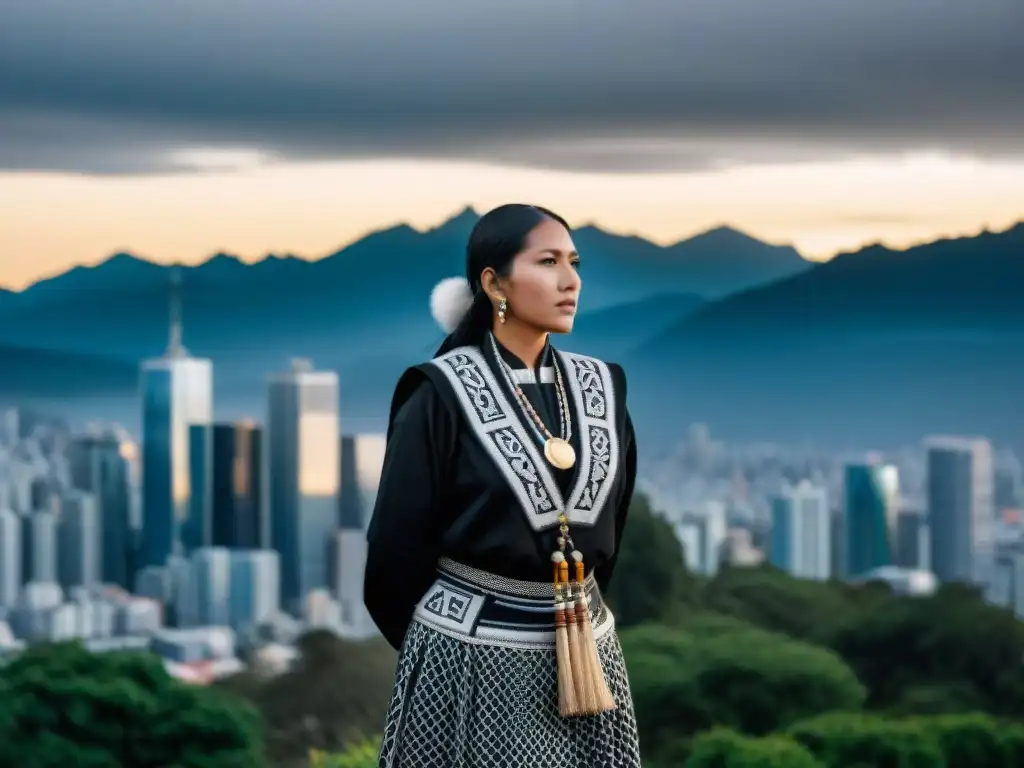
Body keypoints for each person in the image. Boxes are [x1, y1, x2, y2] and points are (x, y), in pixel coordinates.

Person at [365, 203, 642, 767]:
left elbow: (608, 532)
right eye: (548, 262)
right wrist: (443, 648)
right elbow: (392, 561)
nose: (571, 281)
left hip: (589, 657)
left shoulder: (603, 386)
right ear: (494, 282)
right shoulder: (438, 394)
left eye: (574, 262)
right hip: (468, 657)